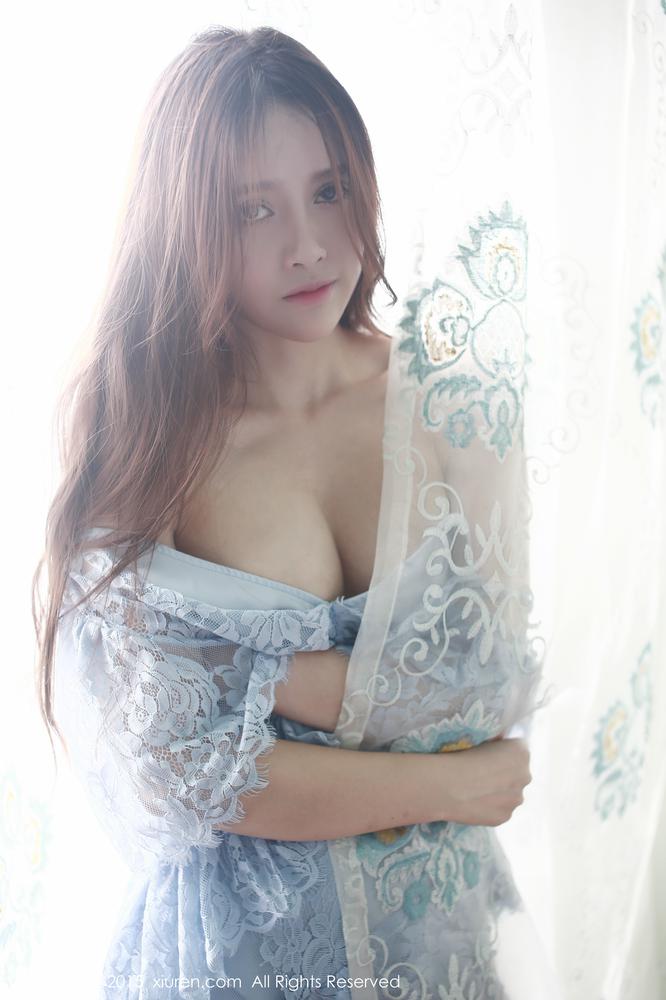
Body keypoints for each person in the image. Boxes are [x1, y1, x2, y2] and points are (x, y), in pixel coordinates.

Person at [32, 25, 532, 999]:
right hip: (233, 966)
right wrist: (447, 783)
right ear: (182, 223)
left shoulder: (451, 404)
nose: (307, 245)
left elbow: (489, 690)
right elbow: (177, 763)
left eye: (328, 190)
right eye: (252, 208)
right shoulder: (144, 432)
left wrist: (247, 675)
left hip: (435, 944)